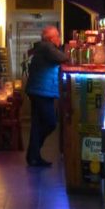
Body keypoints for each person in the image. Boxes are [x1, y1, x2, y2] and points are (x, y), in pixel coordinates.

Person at [25, 25, 70, 167]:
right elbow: (63, 58)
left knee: (38, 124)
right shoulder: (48, 48)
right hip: (41, 91)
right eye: (57, 36)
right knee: (50, 123)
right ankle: (34, 153)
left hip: (37, 90)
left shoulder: (44, 47)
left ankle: (33, 156)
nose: (59, 38)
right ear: (51, 38)